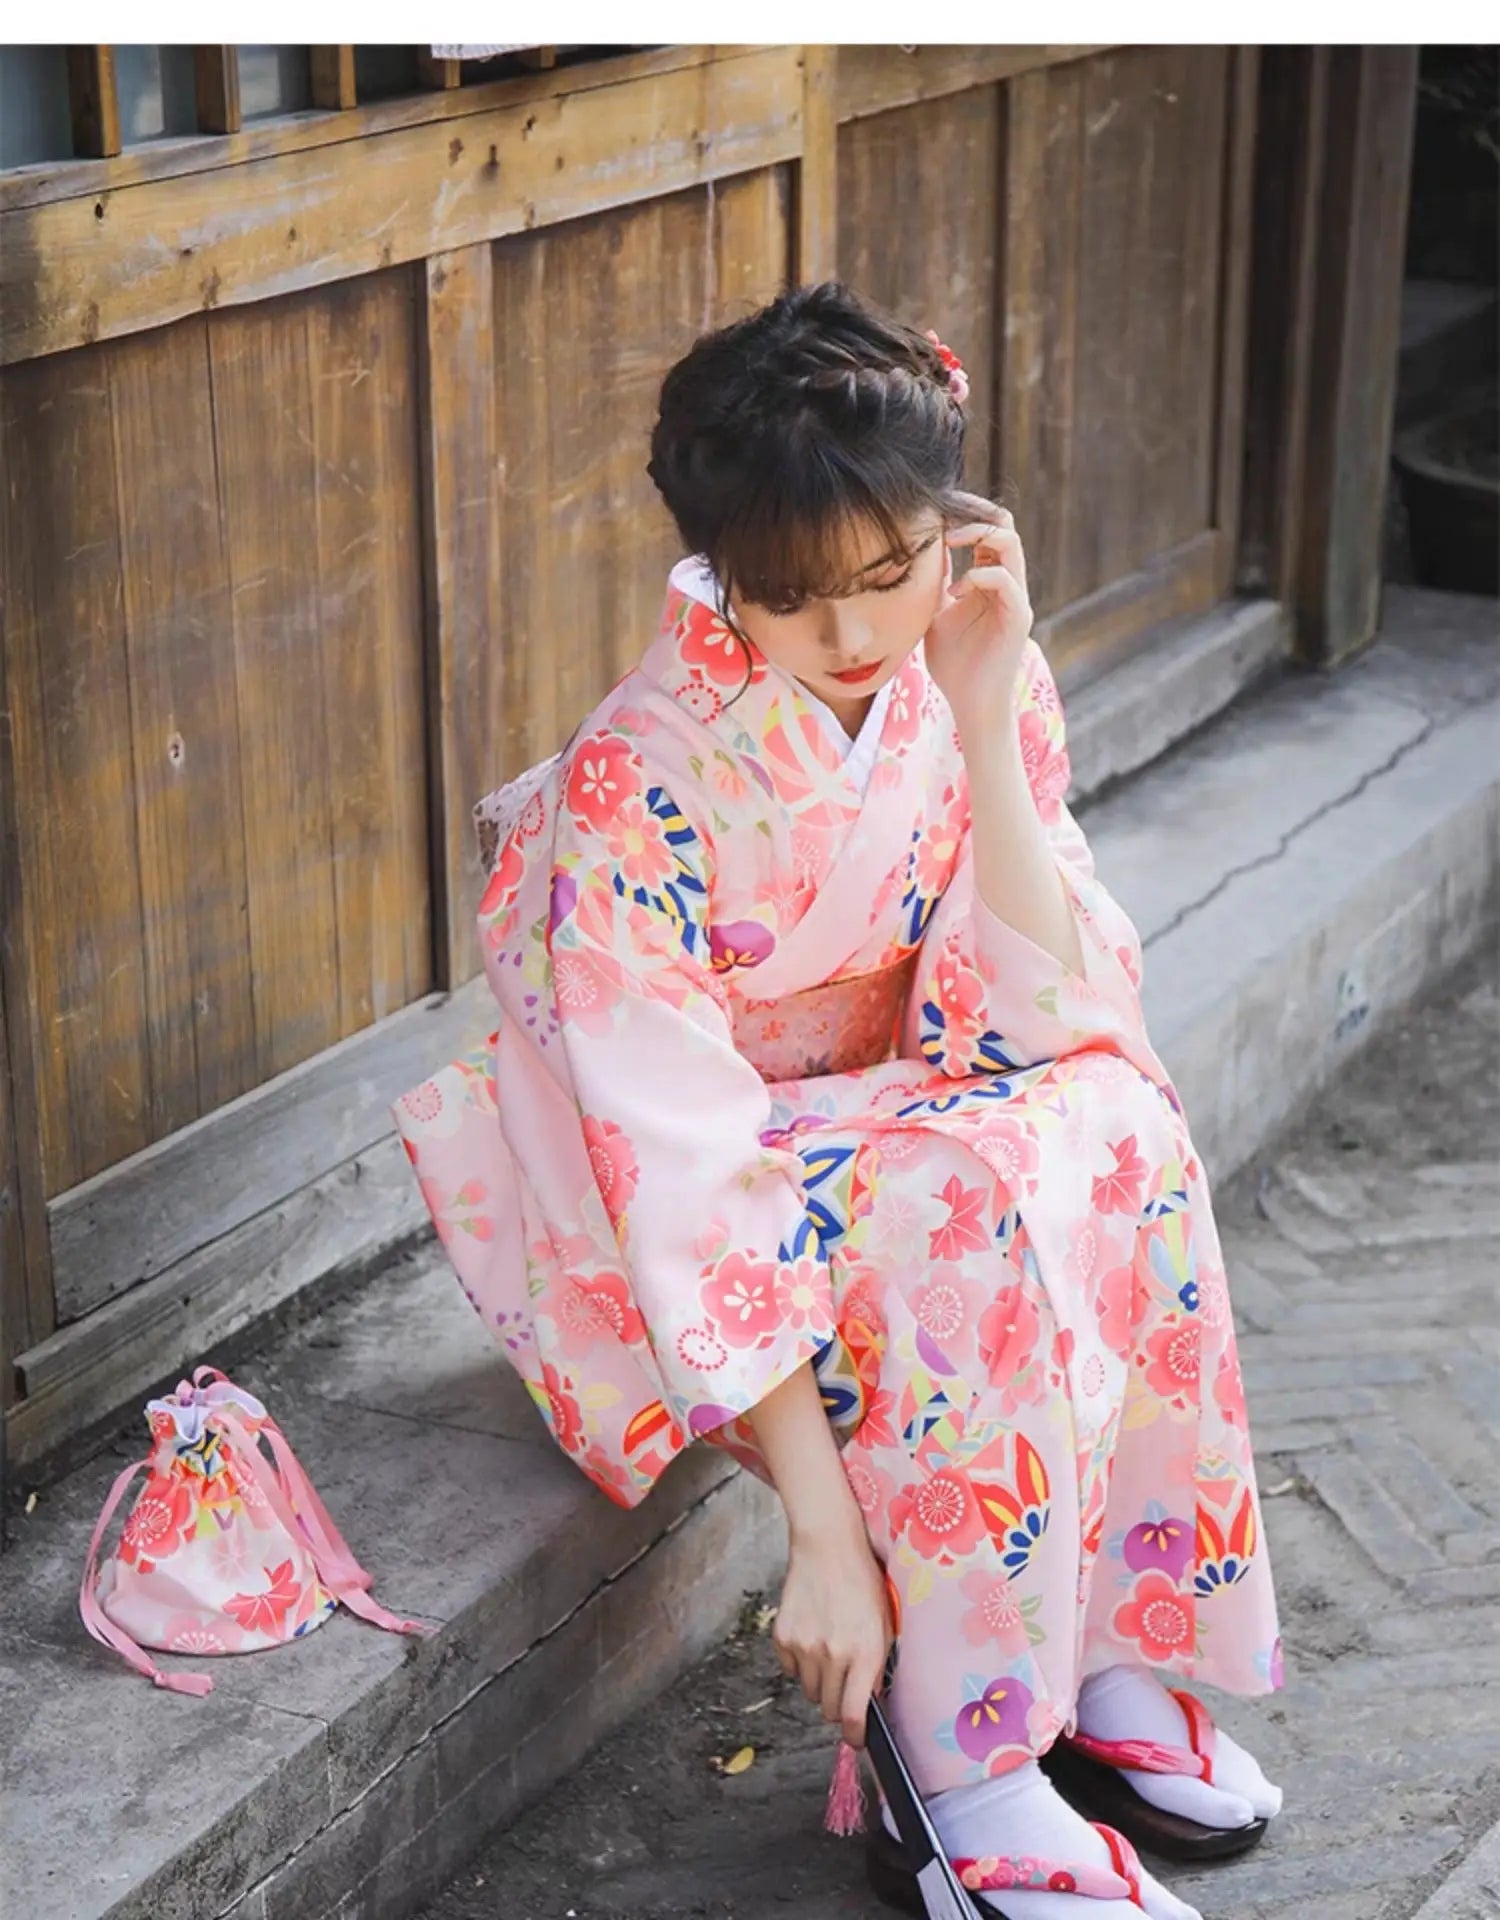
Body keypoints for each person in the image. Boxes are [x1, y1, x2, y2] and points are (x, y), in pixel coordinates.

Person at [393, 281, 1285, 1917]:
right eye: (800, 605)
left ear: (956, 521)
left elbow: (1047, 1004)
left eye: (895, 573)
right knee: (959, 1198)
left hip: (887, 1116)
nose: (862, 636)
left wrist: (992, 703)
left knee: (1123, 1121)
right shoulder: (634, 779)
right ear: (722, 574)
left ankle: (1100, 1656)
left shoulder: (959, 665)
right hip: (661, 1190)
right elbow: (676, 1156)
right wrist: (819, 1525)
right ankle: (961, 1756)